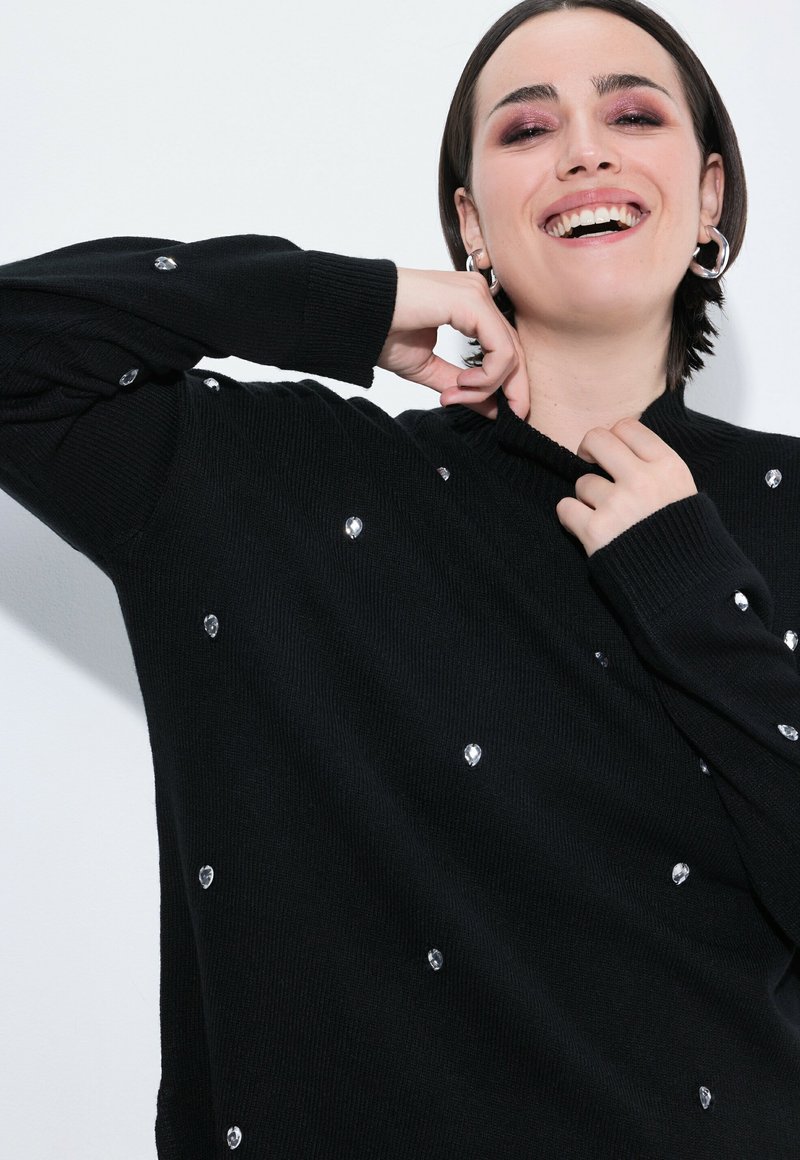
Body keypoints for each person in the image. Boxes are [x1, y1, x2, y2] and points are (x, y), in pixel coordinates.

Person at [1, 0, 798, 1155]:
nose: (585, 150)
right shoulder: (276, 483)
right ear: (469, 222)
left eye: (632, 114)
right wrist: (346, 301)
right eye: (526, 128)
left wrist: (687, 588)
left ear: (709, 196)